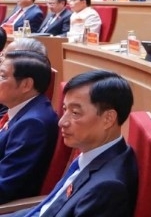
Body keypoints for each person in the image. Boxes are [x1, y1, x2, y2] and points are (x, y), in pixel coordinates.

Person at [16, 70, 139, 217]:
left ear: (108, 119)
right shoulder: (93, 154)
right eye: (64, 109)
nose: (62, 122)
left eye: (75, 113)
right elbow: (47, 208)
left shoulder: (107, 187)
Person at [0, 50, 58, 203]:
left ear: (26, 85)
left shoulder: (33, 124)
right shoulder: (23, 108)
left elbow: (4, 185)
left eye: (2, 76)